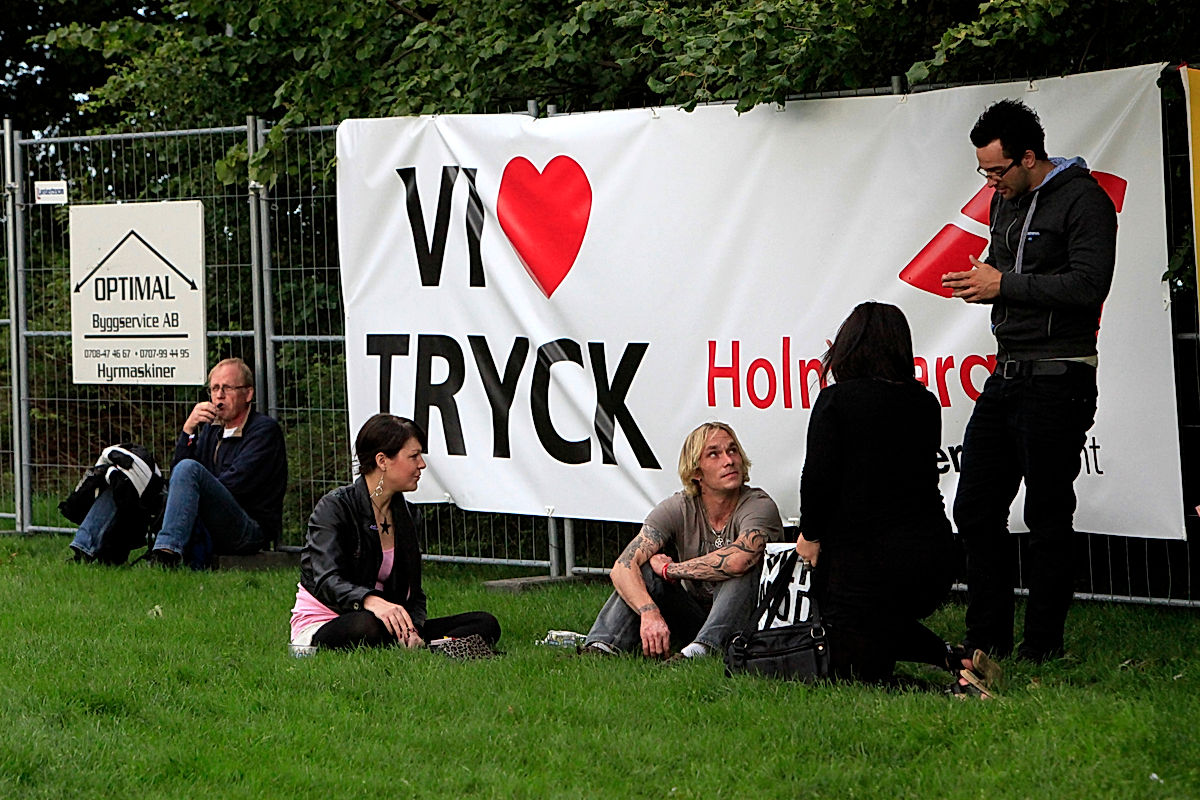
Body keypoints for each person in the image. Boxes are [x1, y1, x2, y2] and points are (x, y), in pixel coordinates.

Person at [941, 99, 1117, 663]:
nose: (991, 183)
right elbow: (1004, 275)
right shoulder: (1004, 203)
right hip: (1007, 371)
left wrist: (1006, 285)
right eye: (984, 172)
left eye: (997, 171)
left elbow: (1089, 285)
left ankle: (1042, 646)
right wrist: (980, 283)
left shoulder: (1084, 200)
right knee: (973, 506)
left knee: (1046, 514)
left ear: (1030, 157)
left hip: (1060, 375)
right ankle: (986, 640)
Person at [794, 302, 994, 696]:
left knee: (847, 660)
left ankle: (952, 692)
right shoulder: (924, 403)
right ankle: (956, 659)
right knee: (875, 623)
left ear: (850, 346)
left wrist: (811, 534)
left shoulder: (837, 401)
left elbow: (817, 478)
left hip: (863, 565)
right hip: (932, 558)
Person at [289, 414, 500, 652]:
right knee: (369, 625)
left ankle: (417, 646)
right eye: (413, 456)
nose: (422, 464)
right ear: (382, 461)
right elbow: (327, 579)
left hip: (387, 620)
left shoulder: (407, 514)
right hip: (331, 619)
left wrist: (413, 628)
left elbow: (415, 594)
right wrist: (371, 601)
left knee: (484, 623)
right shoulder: (334, 508)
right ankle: (438, 648)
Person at [581, 422, 784, 659]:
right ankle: (599, 649)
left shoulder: (759, 505)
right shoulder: (678, 507)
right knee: (645, 568)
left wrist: (670, 570)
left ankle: (699, 653)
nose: (729, 460)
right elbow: (621, 568)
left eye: (732, 451)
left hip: (748, 620)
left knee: (740, 569)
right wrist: (649, 613)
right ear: (696, 472)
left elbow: (738, 560)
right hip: (694, 614)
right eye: (714, 454)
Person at [70, 357, 287, 568]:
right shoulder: (213, 429)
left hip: (247, 529)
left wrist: (188, 492)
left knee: (188, 469)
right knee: (124, 476)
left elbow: (234, 486)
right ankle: (83, 550)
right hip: (208, 515)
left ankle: (166, 554)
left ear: (248, 393)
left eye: (227, 388)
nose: (219, 396)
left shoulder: (264, 431)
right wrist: (188, 431)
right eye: (214, 389)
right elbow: (179, 476)